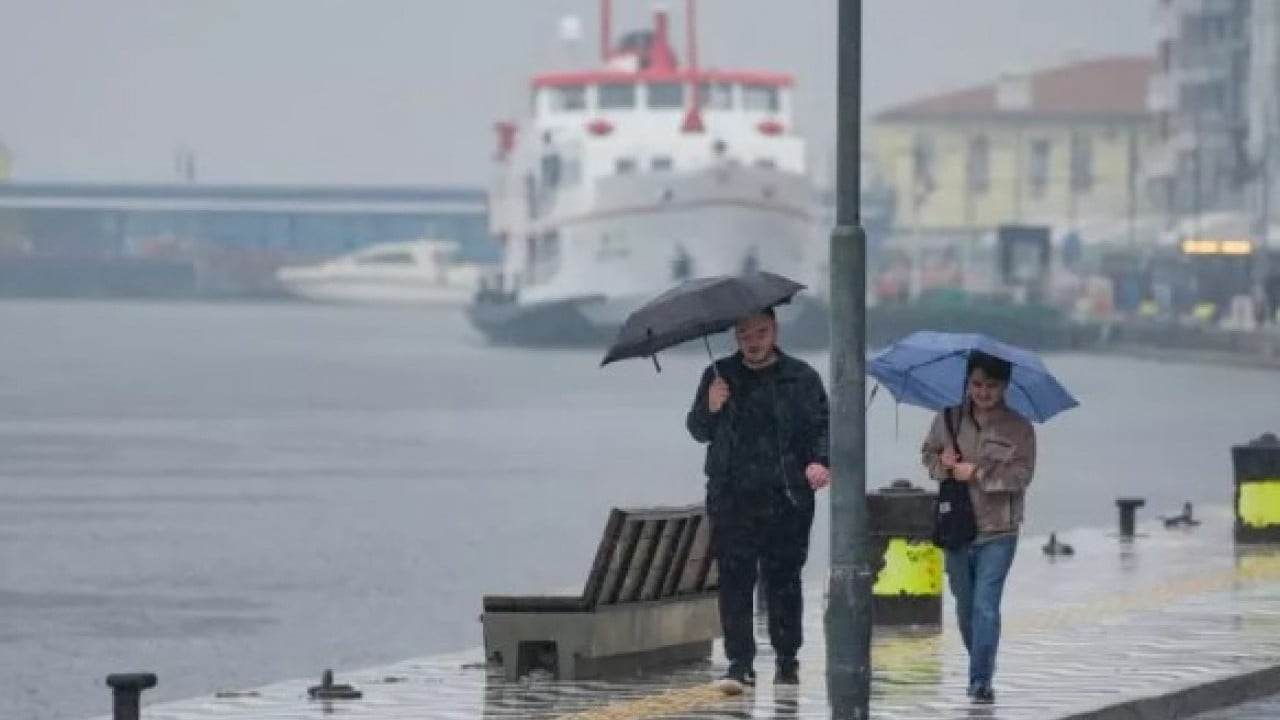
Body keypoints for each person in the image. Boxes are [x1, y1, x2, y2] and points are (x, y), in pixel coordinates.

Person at [685, 308, 830, 693]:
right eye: (745, 333)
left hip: (787, 496)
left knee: (783, 580)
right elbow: (698, 430)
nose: (753, 340)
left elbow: (820, 428)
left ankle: (786, 659)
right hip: (732, 497)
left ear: (775, 331)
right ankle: (740, 663)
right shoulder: (718, 375)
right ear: (736, 335)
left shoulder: (802, 377)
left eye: (761, 331)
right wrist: (710, 406)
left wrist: (820, 462)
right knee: (735, 581)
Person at [921, 351, 1036, 704]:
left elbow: (1022, 476)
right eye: (976, 384)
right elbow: (927, 455)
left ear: (1004, 387)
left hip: (999, 530)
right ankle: (981, 658)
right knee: (966, 606)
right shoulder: (948, 417)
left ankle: (980, 679)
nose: (983, 392)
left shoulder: (1020, 428)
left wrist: (979, 473)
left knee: (986, 606)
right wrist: (942, 464)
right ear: (967, 383)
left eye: (991, 386)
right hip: (957, 528)